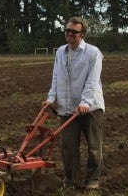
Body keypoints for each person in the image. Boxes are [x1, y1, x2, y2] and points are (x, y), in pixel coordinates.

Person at [41, 17, 105, 190]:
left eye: (74, 32)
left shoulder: (93, 52)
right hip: (67, 106)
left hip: (90, 108)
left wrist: (85, 102)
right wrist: (51, 98)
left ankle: (92, 179)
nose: (69, 34)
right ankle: (71, 179)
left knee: (93, 147)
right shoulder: (60, 52)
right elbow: (56, 78)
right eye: (67, 31)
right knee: (68, 147)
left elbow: (92, 81)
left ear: (82, 34)